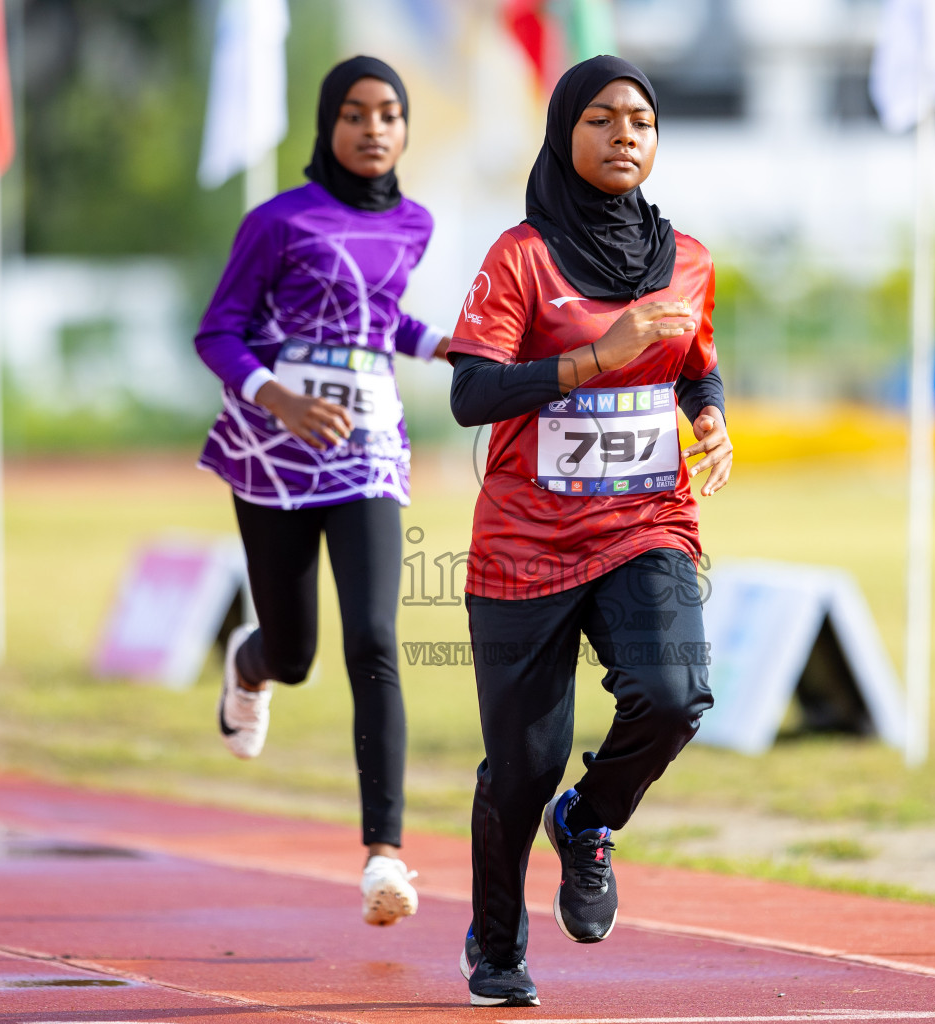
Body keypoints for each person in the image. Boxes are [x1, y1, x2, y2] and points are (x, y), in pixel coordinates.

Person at [444, 55, 734, 1007]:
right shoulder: (520, 256)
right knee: (521, 764)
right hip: (527, 540)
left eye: (642, 121)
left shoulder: (688, 257)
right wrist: (591, 363)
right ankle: (495, 943)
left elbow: (695, 363)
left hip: (647, 521)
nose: (624, 136)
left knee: (676, 691)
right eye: (603, 119)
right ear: (565, 133)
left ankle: (590, 817)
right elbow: (471, 393)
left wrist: (710, 418)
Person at [193, 56, 449, 928]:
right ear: (326, 126)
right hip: (274, 445)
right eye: (354, 112)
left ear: (405, 129)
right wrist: (281, 399)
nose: (372, 128)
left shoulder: (416, 223)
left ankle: (386, 856)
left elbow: (381, 318)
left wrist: (443, 344)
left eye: (387, 113)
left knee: (374, 636)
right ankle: (250, 661)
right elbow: (218, 331)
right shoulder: (277, 220)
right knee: (297, 652)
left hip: (370, 446)